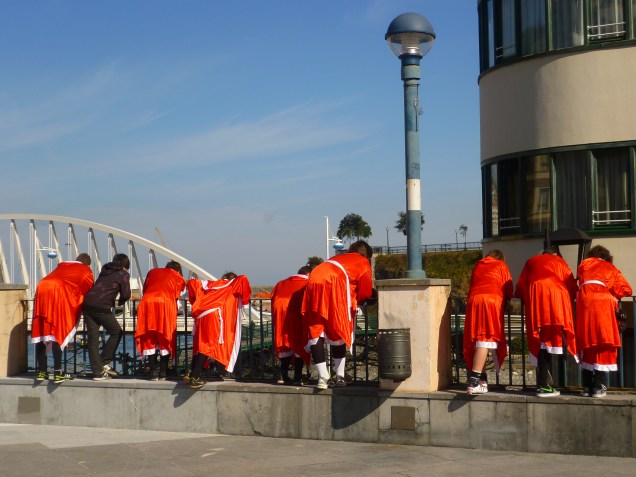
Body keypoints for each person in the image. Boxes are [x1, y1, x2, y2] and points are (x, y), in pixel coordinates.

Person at [302, 240, 374, 390]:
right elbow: (366, 292)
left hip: (315, 277)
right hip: (336, 281)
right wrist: (362, 301)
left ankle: (323, 377)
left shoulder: (337, 257)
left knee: (316, 330)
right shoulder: (363, 262)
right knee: (339, 329)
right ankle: (340, 376)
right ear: (367, 255)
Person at [515, 245, 578, 397]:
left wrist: (525, 299)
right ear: (555, 254)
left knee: (541, 340)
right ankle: (544, 386)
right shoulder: (559, 261)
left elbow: (521, 286)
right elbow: (571, 285)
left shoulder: (531, 261)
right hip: (556, 300)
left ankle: (543, 383)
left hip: (536, 299)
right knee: (549, 341)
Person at [575, 245, 632, 398]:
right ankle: (598, 386)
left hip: (584, 304)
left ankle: (586, 386)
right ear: (606, 257)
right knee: (603, 342)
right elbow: (626, 289)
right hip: (603, 305)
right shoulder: (609, 267)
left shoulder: (583, 265)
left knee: (588, 341)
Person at [31, 253, 94, 383]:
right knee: (57, 332)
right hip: (58, 290)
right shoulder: (85, 270)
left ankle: (41, 371)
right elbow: (89, 290)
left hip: (42, 286)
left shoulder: (62, 266)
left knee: (42, 331)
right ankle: (58, 372)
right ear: (87, 264)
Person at [186, 272, 252, 389]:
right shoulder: (232, 284)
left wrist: (194, 300)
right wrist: (245, 301)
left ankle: (190, 372)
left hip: (201, 315)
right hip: (214, 315)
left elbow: (192, 283)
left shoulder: (211, 284)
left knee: (200, 344)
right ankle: (194, 378)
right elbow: (243, 278)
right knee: (207, 345)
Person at [463, 249, 513, 395]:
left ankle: (482, 380)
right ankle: (474, 381)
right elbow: (508, 287)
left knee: (476, 339)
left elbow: (472, 284)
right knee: (485, 339)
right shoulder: (501, 265)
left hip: (474, 301)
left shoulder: (479, 265)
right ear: (500, 257)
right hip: (491, 301)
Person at [82, 253, 131, 381]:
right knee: (116, 332)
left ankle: (98, 372)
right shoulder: (123, 274)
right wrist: (120, 302)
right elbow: (126, 294)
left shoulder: (105, 270)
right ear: (125, 266)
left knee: (93, 339)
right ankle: (104, 361)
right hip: (102, 306)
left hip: (87, 304)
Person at [134, 261, 186, 380]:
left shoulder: (152, 272)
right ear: (178, 271)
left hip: (147, 304)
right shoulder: (177, 276)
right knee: (165, 337)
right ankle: (163, 371)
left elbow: (145, 289)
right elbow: (179, 293)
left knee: (149, 337)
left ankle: (153, 372)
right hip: (165, 304)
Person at [271, 265, 312, 385]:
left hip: (281, 318)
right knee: (300, 344)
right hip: (297, 316)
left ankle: (283, 375)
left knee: (284, 344)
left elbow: (273, 298)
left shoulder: (281, 283)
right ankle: (297, 377)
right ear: (308, 274)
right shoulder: (307, 283)